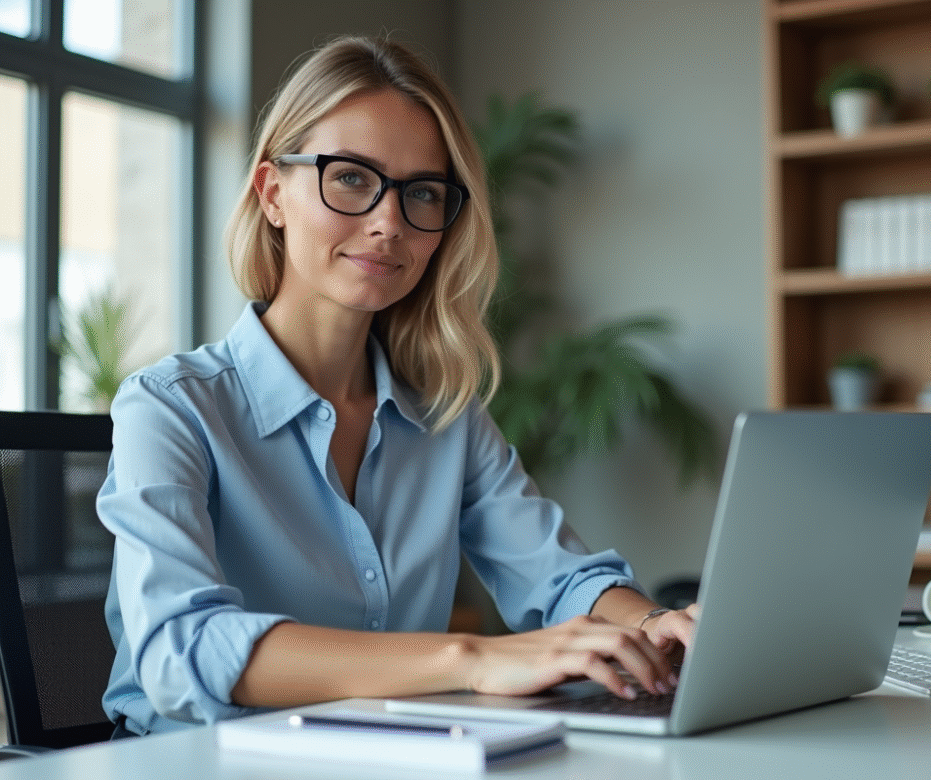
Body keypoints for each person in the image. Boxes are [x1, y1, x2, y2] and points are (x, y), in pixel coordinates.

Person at [97, 35, 698, 736]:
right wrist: (471, 659)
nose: (389, 222)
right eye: (350, 177)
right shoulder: (169, 407)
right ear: (273, 194)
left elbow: (560, 579)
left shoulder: (445, 416)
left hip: (389, 757)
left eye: (421, 193)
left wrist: (660, 625)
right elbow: (181, 649)